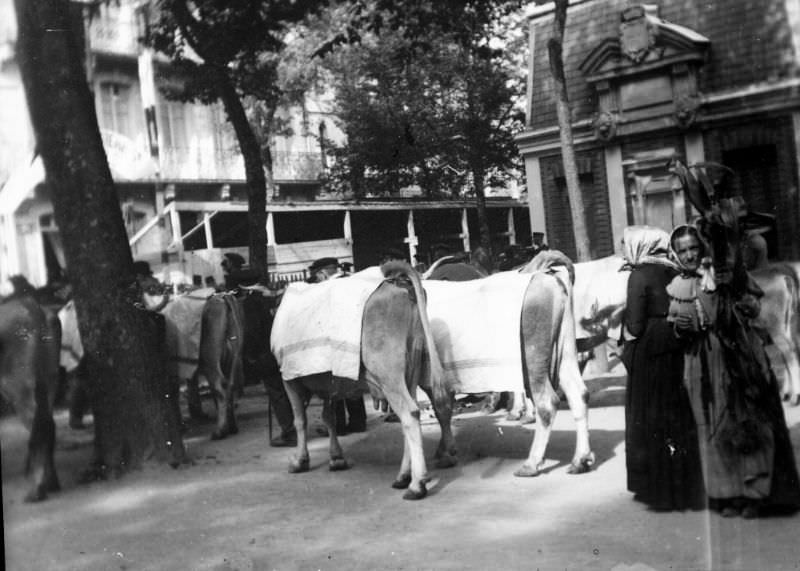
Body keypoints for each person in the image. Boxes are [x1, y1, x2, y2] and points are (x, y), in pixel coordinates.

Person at [669, 224, 800, 518]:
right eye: (683, 251)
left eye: (693, 248)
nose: (689, 255)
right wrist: (681, 327)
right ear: (675, 255)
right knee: (712, 429)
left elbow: (752, 304)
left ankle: (754, 493)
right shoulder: (677, 284)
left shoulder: (722, 274)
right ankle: (726, 493)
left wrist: (737, 304)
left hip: (733, 356)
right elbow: (676, 326)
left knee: (744, 421)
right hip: (699, 362)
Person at [620, 226, 706, 512]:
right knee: (677, 415)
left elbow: (635, 325)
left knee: (649, 416)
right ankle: (685, 485)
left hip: (651, 351)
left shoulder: (639, 275)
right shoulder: (673, 270)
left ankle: (657, 488)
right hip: (676, 345)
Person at [307, 256, 367, 435]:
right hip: (355, 338)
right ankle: (358, 422)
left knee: (334, 385)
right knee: (353, 382)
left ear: (323, 273)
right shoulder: (352, 282)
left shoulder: (325, 288)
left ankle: (338, 425)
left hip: (334, 340)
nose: (317, 280)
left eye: (317, 276)